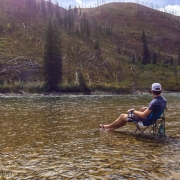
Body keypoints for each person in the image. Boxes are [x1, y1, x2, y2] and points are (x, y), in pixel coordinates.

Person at [99, 83, 167, 131]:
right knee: (125, 118)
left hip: (146, 121)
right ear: (160, 91)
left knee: (122, 116)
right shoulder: (164, 101)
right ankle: (111, 128)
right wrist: (147, 108)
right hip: (153, 120)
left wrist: (133, 111)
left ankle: (107, 127)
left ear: (152, 91)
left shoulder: (153, 102)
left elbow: (142, 115)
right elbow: (156, 108)